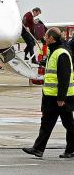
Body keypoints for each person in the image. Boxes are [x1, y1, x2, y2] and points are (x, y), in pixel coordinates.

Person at [22, 27, 74, 158]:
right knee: (46, 123)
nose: (44, 38)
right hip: (51, 96)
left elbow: (64, 77)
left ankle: (71, 150)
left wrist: (61, 97)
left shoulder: (61, 53)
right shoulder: (54, 51)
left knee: (69, 125)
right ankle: (38, 149)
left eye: (46, 36)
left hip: (61, 97)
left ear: (51, 38)